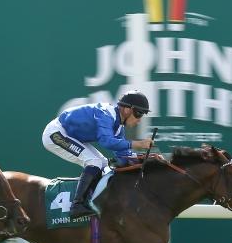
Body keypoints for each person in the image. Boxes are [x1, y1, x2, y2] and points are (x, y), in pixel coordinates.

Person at [42, 90, 154, 218]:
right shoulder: (105, 114)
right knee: (94, 162)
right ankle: (77, 206)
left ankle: (91, 201)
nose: (139, 120)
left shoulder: (118, 127)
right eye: (139, 113)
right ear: (127, 109)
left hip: (70, 135)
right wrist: (138, 144)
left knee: (104, 164)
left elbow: (123, 155)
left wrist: (143, 158)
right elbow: (106, 141)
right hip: (56, 133)